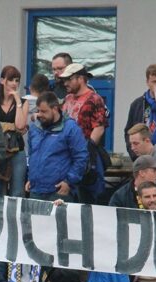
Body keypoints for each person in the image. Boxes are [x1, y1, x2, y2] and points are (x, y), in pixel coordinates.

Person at [26, 91, 87, 201]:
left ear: (55, 109)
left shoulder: (70, 128)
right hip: (35, 190)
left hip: (58, 192)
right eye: (38, 110)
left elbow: (81, 157)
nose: (39, 114)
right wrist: (31, 177)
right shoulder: (34, 127)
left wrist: (69, 182)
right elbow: (32, 154)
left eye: (44, 111)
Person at [60, 63, 108, 204]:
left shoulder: (94, 99)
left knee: (88, 198)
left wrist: (87, 150)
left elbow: (99, 128)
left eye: (69, 79)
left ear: (80, 79)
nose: (65, 83)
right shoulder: (67, 99)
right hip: (67, 154)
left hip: (86, 154)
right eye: (64, 80)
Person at [0, 66, 28, 197]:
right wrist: (11, 128)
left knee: (17, 190)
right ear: (2, 81)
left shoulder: (23, 102)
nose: (14, 84)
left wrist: (17, 101)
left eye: (17, 80)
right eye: (11, 80)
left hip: (17, 150)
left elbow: (20, 125)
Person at [124, 64, 156, 156]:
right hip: (143, 156)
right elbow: (129, 131)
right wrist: (134, 155)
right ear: (147, 82)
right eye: (154, 82)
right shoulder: (137, 104)